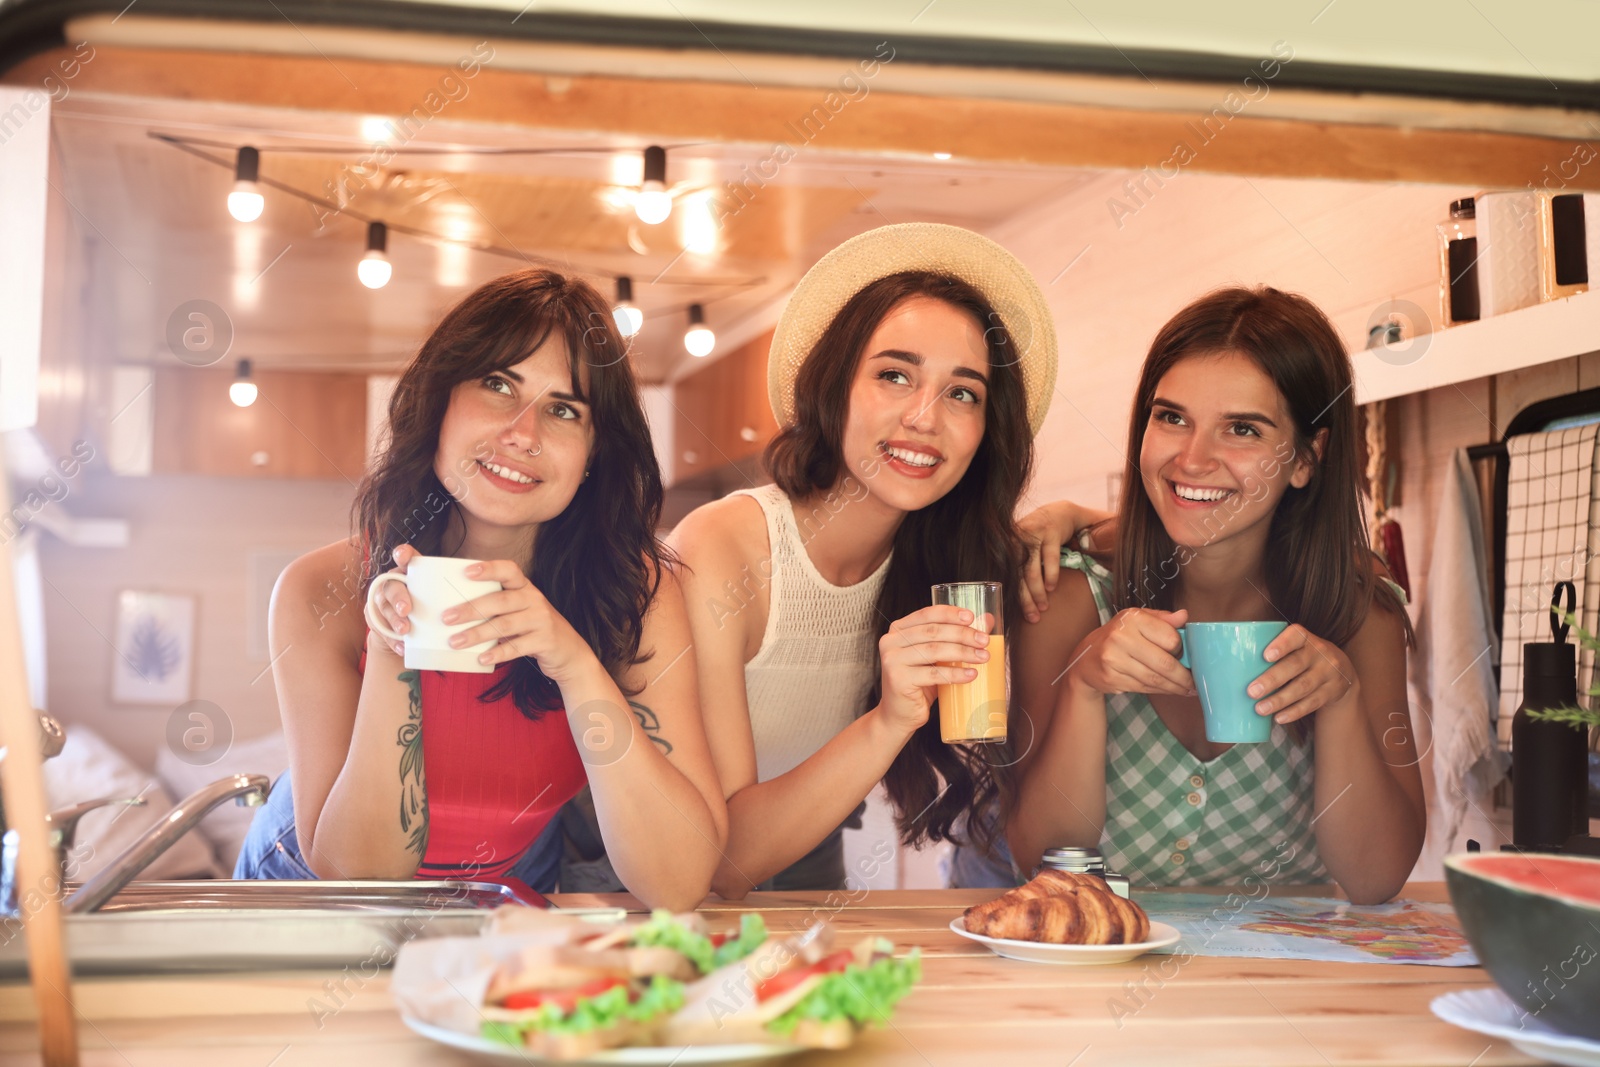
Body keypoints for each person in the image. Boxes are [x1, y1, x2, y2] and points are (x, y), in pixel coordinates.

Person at [236, 269, 727, 911]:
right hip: (306, 904)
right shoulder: (319, 590)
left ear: (591, 456)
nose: (523, 433)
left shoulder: (635, 595)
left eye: (563, 409)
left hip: (493, 899)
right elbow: (360, 872)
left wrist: (575, 665)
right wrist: (391, 653)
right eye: (499, 385)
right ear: (439, 402)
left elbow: (680, 882)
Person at [667, 223, 1067, 897]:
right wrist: (888, 719)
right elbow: (724, 858)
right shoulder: (723, 546)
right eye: (894, 375)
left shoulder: (949, 562)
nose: (924, 416)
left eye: (962, 392)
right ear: (834, 386)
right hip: (642, 881)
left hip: (808, 860)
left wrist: (1076, 520)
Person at [1007, 286, 1424, 905]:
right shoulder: (1064, 597)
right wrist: (1083, 687)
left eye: (1242, 429)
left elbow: (1376, 878)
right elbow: (1039, 863)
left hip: (1291, 983)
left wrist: (1340, 702)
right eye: (1172, 417)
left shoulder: (1360, 615)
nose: (1193, 458)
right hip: (1095, 971)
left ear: (1308, 457)